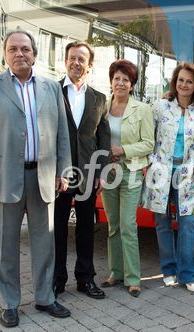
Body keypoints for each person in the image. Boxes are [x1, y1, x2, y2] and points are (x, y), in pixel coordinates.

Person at [0, 30, 72, 328]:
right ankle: (9, 303)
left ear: (34, 54)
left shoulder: (52, 88)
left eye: (25, 49)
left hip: (43, 178)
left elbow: (62, 134)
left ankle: (45, 297)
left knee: (45, 242)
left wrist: (62, 171)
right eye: (13, 49)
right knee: (6, 246)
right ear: (5, 54)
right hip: (4, 179)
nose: (19, 54)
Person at [141, 62, 194, 294]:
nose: (184, 85)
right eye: (181, 80)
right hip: (160, 172)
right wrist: (151, 162)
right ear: (175, 81)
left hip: (186, 173)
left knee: (187, 223)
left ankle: (187, 274)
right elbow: (149, 136)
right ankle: (168, 270)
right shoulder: (160, 106)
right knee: (162, 221)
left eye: (189, 81)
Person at [53, 41, 110, 300]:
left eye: (82, 59)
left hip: (88, 174)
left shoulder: (99, 98)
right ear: (66, 61)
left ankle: (86, 279)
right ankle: (56, 280)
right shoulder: (51, 92)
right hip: (58, 175)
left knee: (86, 228)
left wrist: (101, 172)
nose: (77, 63)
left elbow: (103, 139)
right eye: (72, 58)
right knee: (58, 228)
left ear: (89, 65)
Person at [100, 59, 154, 297]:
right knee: (113, 226)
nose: (120, 83)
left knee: (128, 226)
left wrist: (124, 150)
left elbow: (149, 143)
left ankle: (133, 278)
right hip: (107, 172)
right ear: (111, 81)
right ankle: (116, 272)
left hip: (131, 171)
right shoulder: (102, 106)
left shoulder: (142, 109)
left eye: (126, 79)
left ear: (132, 84)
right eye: (117, 78)